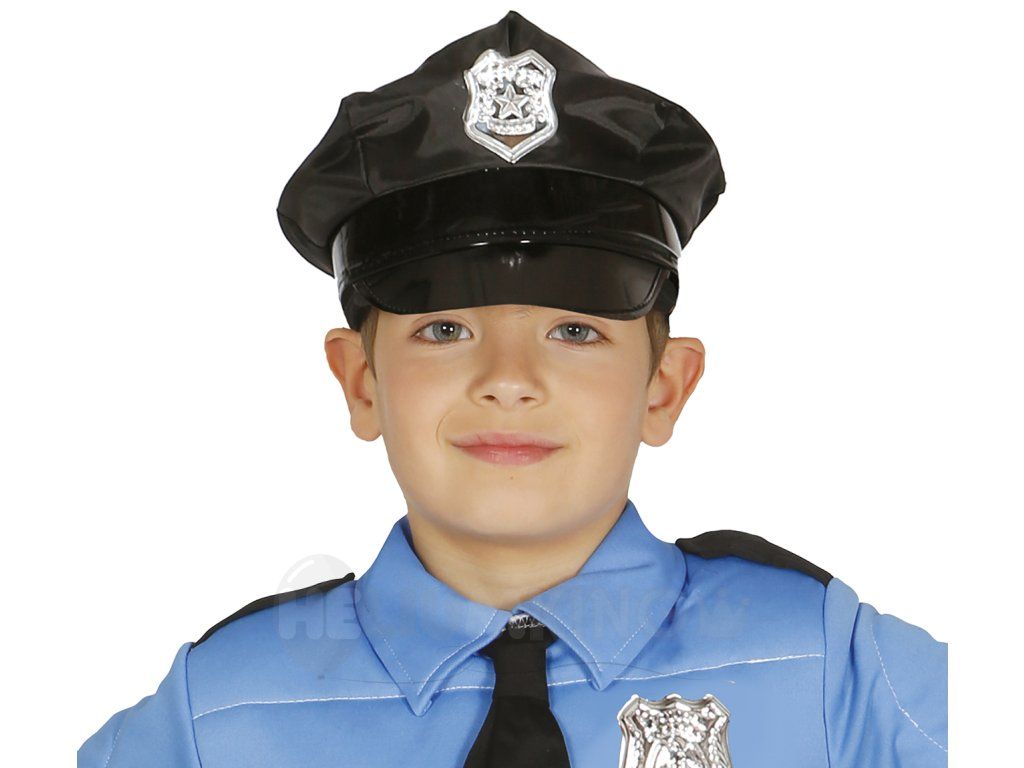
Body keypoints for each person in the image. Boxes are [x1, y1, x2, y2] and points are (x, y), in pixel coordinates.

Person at [78, 10, 948, 768]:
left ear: (664, 388)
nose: (508, 382)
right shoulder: (218, 715)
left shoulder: (836, 672)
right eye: (443, 330)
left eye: (575, 331)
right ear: (361, 382)